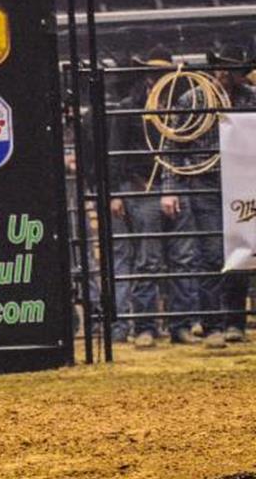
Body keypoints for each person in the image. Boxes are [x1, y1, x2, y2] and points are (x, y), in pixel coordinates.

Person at [162, 45, 256, 348]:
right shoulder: (193, 99)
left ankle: (234, 323)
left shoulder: (249, 99)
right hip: (205, 183)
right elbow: (172, 145)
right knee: (214, 253)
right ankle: (215, 323)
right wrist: (171, 188)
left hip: (242, 183)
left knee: (241, 252)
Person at [107, 48, 192, 348]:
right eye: (153, 72)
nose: (156, 78)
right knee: (149, 258)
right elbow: (116, 154)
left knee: (183, 257)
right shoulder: (130, 107)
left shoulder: (178, 106)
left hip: (173, 184)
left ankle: (179, 324)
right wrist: (117, 192)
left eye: (161, 72)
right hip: (142, 187)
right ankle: (145, 326)